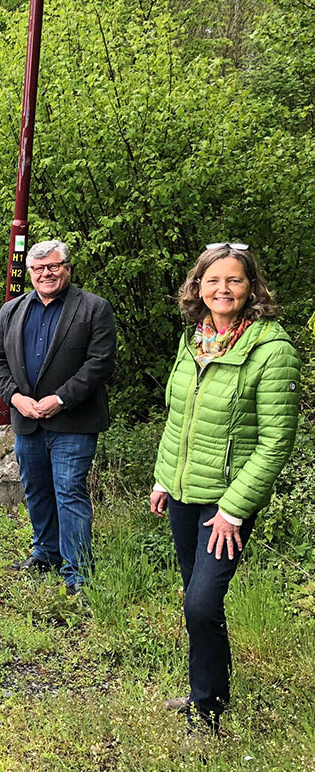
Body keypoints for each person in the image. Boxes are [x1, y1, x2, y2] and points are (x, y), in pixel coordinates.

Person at [149, 243, 299, 732]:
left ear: (252, 287)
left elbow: (276, 443)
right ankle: (208, 691)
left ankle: (207, 711)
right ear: (198, 287)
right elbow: (179, 418)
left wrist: (234, 509)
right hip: (184, 491)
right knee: (196, 596)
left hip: (226, 501)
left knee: (201, 601)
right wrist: (162, 477)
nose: (223, 289)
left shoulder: (272, 350)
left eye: (234, 280)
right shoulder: (194, 340)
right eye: (213, 281)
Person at [0, 240, 116, 595]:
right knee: (36, 488)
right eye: (39, 268)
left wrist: (60, 398)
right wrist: (15, 398)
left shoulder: (93, 308)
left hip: (74, 420)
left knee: (69, 491)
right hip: (27, 419)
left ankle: (77, 572)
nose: (46, 273)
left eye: (53, 266)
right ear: (29, 273)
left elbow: (99, 364)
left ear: (68, 269)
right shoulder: (12, 311)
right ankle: (45, 552)